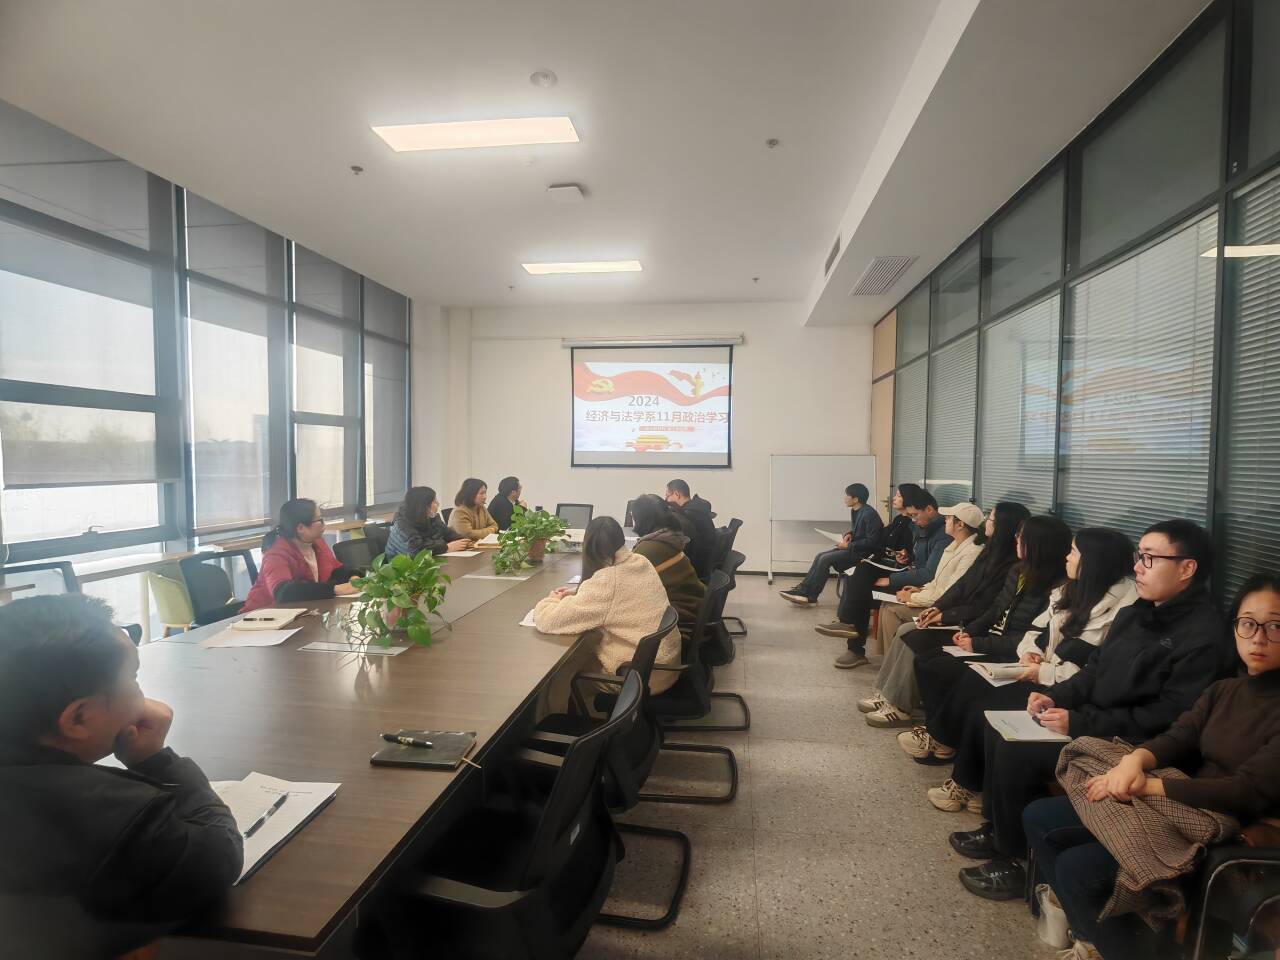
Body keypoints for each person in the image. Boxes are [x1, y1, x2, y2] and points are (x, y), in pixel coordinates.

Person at [950, 519, 1230, 902]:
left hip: (1130, 742)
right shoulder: (1138, 612)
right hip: (1093, 717)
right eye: (1138, 556)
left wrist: (1080, 722)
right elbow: (1095, 669)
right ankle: (998, 829)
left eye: (1149, 559)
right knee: (1001, 727)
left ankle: (1013, 861)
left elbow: (1167, 717)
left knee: (1017, 750)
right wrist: (1056, 696)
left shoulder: (1203, 635)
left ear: (1187, 568)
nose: (1137, 567)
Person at [1024, 573, 1280, 960]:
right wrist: (1134, 761)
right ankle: (1096, 941)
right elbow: (1180, 735)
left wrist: (1147, 786)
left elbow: (1246, 790)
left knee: (1077, 868)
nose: (1258, 638)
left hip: (1227, 833)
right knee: (1040, 818)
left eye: (1274, 626)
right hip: (1177, 808)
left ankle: (1115, 944)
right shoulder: (1226, 689)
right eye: (1248, 623)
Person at [0, 594, 243, 958]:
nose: (142, 691)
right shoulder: (119, 815)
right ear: (79, 718)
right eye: (133, 677)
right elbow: (218, 858)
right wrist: (156, 760)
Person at [910, 526, 1132, 817]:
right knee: (972, 680)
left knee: (984, 706)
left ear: (1094, 562)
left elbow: (1087, 667)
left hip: (1061, 687)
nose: (1067, 557)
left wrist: (1039, 670)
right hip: (1039, 669)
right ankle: (955, 761)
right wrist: (1030, 652)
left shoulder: (1121, 609)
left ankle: (967, 783)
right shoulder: (1069, 589)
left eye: (1074, 552)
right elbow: (1035, 630)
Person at [897, 514, 1072, 768]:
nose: (1016, 539)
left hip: (1012, 653)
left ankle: (943, 739)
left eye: (1022, 536)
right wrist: (970, 632)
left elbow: (1029, 639)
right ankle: (937, 734)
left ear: (1038, 544)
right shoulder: (1018, 570)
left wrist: (979, 645)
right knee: (926, 662)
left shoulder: (1056, 588)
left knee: (948, 669)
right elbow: (995, 608)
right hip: (991, 640)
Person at [863, 501, 1019, 728]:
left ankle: (900, 706)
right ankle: (887, 693)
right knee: (908, 629)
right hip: (957, 613)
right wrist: (938, 607)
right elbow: (960, 586)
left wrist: (943, 616)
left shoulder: (1005, 563)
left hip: (969, 623)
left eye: (992, 519)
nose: (987, 522)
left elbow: (985, 606)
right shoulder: (989, 551)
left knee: (912, 633)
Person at [533, 517, 683, 715]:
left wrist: (551, 600)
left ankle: (553, 725)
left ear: (590, 548)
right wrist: (579, 594)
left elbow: (549, 621)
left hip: (638, 677)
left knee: (563, 668)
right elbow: (617, 598)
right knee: (585, 646)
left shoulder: (608, 581)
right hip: (663, 667)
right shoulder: (640, 561)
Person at [818, 489, 951, 669]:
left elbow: (928, 574)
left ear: (928, 509)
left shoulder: (942, 535)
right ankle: (849, 627)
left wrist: (891, 580)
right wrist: (907, 557)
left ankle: (853, 642)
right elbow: (918, 558)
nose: (912, 520)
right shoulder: (922, 526)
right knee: (862, 572)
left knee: (862, 587)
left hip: (922, 586)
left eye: (914, 515)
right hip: (909, 572)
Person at [241, 498, 360, 612]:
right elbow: (283, 592)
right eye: (320, 520)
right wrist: (335, 589)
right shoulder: (276, 553)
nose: (324, 524)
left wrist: (353, 577)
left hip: (302, 612)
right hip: (262, 616)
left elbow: (336, 570)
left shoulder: (317, 542)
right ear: (301, 528)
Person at [779, 483, 884, 606]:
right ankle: (804, 590)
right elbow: (861, 531)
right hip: (854, 549)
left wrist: (848, 546)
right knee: (820, 556)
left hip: (863, 554)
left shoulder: (869, 514)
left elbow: (872, 541)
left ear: (855, 499)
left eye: (847, 495)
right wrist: (850, 534)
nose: (844, 498)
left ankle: (810, 596)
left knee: (825, 559)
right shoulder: (855, 510)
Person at [630, 494, 707, 643]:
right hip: (693, 609)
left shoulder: (649, 548)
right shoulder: (668, 537)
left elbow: (626, 586)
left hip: (679, 620)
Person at [385, 486, 472, 559]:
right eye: (434, 501)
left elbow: (447, 533)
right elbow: (416, 551)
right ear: (423, 505)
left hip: (430, 563)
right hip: (403, 571)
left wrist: (464, 541)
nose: (438, 503)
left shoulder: (432, 518)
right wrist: (447, 547)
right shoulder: (401, 524)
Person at [664, 479, 718, 580]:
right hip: (705, 566)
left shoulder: (687, 516)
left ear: (677, 494)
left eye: (667, 496)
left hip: (695, 572)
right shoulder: (697, 509)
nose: (666, 500)